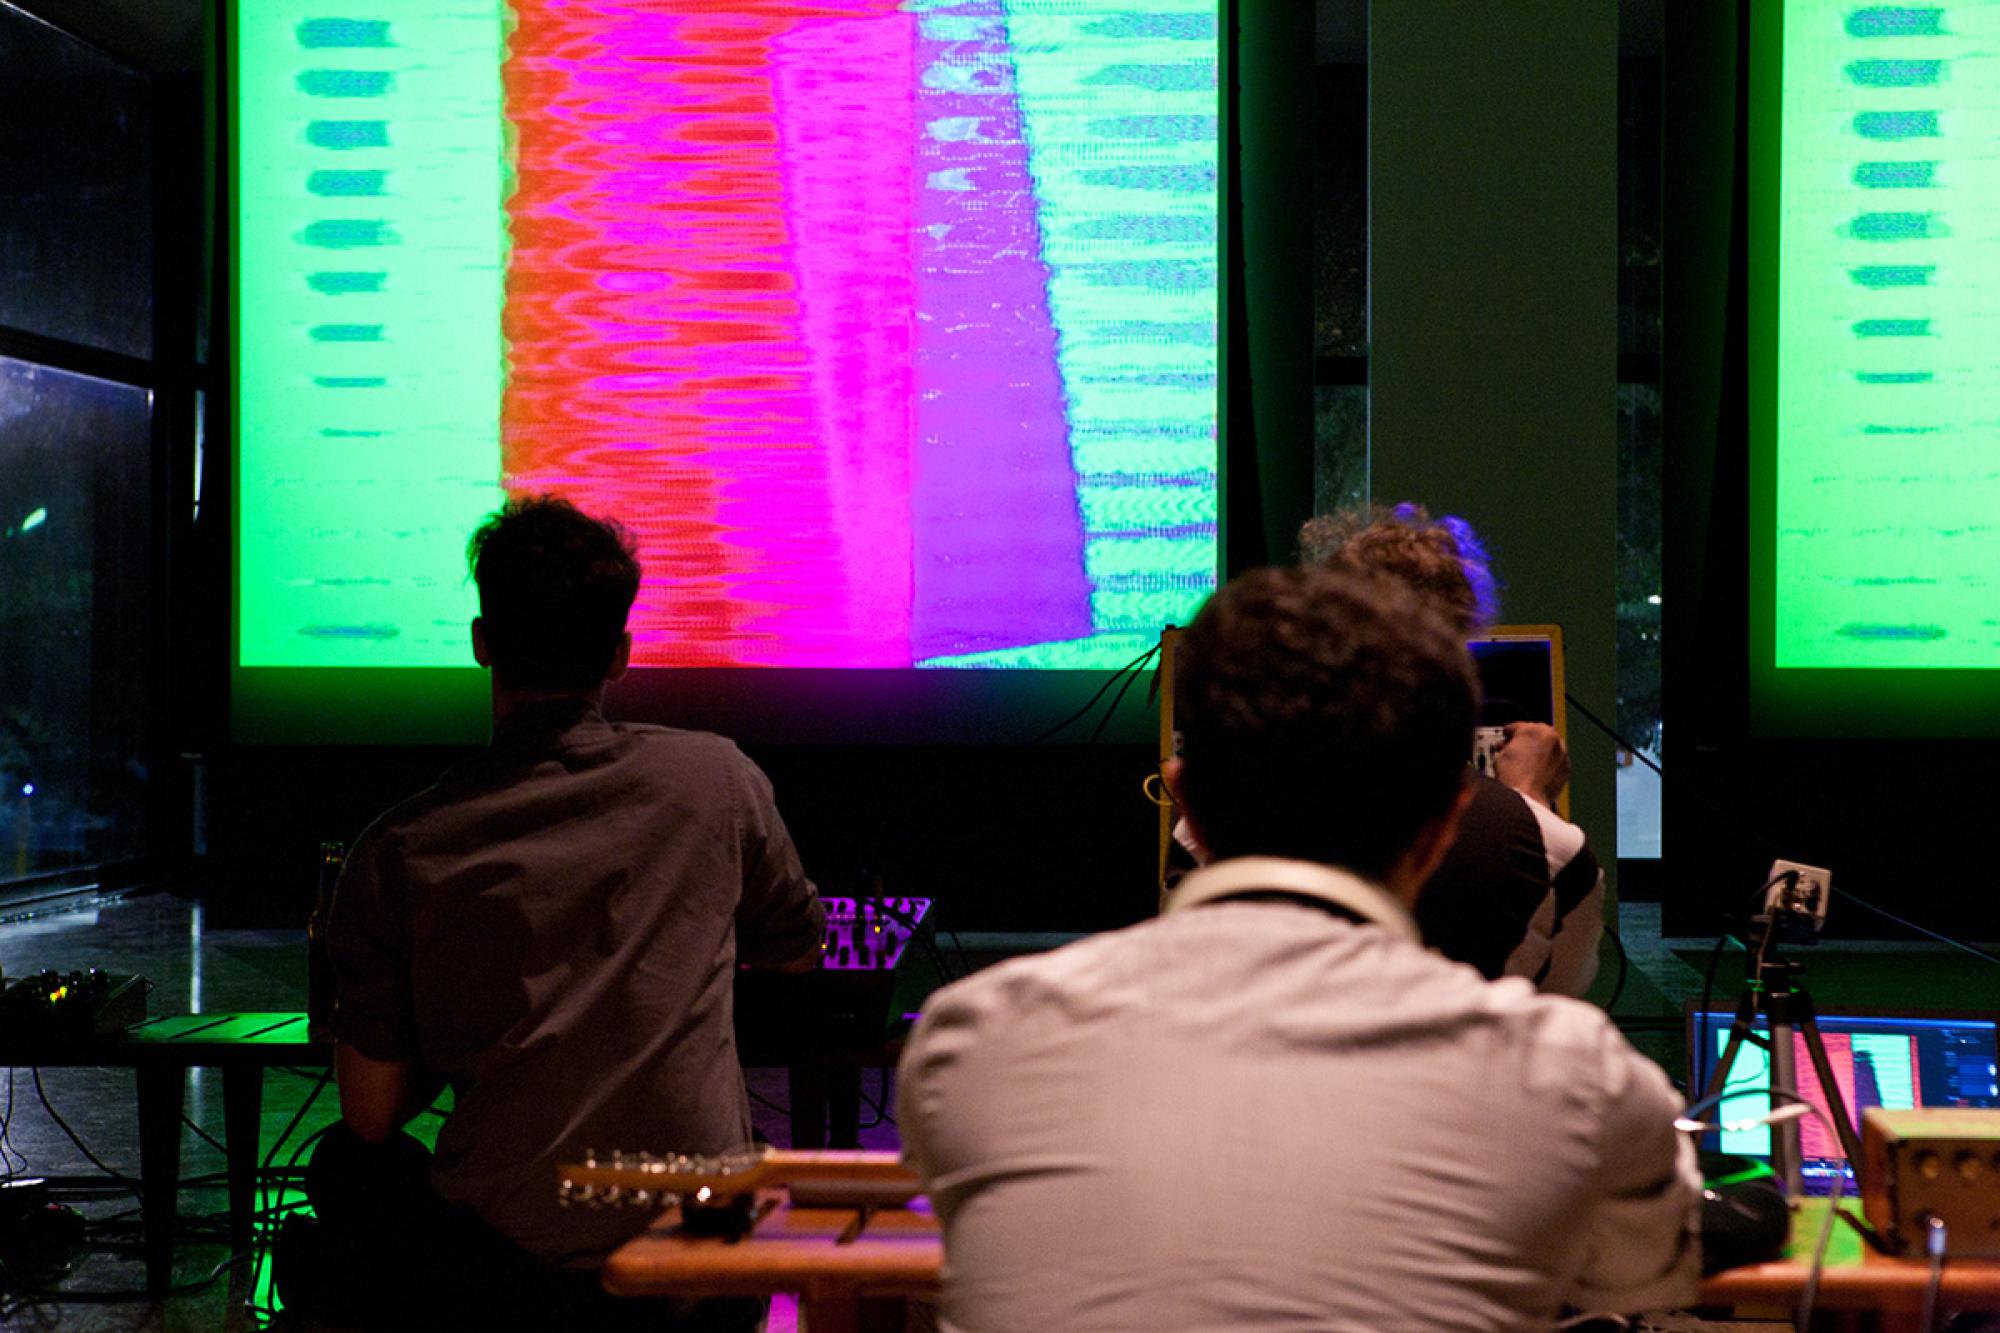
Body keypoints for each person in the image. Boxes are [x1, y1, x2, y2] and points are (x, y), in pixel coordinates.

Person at [898, 565, 1698, 1331]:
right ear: (1445, 823)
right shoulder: (1567, 1074)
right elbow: (1650, 1258)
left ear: (1184, 798)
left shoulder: (973, 1042)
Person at [310, 495, 824, 1329]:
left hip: (518, 1282)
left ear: (482, 641)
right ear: (619, 653)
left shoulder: (400, 846)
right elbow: (798, 947)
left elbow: (370, 1112)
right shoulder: (721, 781)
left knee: (347, 1166)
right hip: (706, 1264)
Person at [1299, 503, 1606, 995]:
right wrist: (1529, 806)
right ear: (1462, 650)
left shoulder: (1213, 821)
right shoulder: (1558, 853)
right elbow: (1552, 1007)